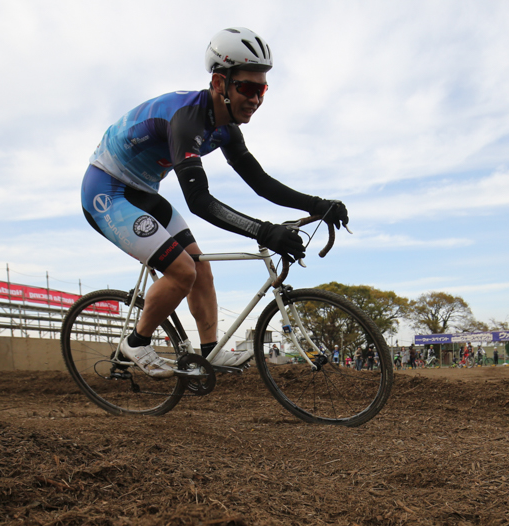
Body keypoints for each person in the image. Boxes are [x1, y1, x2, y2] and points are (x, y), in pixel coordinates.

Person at [81, 27, 348, 377]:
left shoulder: (226, 127)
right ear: (220, 83)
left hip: (143, 192)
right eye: (247, 88)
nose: (255, 99)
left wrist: (319, 204)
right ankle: (136, 341)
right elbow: (199, 200)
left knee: (200, 267)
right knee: (182, 269)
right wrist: (263, 231)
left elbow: (261, 183)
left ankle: (211, 351)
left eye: (262, 89)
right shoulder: (186, 121)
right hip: (106, 192)